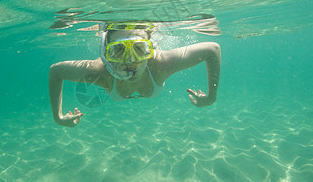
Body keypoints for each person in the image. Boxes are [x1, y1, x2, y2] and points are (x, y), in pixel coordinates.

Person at [49, 22, 221, 127]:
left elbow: (213, 50)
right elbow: (55, 71)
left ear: (150, 49)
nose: (130, 61)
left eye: (139, 49)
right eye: (118, 51)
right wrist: (57, 116)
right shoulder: (100, 71)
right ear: (105, 54)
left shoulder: (160, 64)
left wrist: (212, 97)